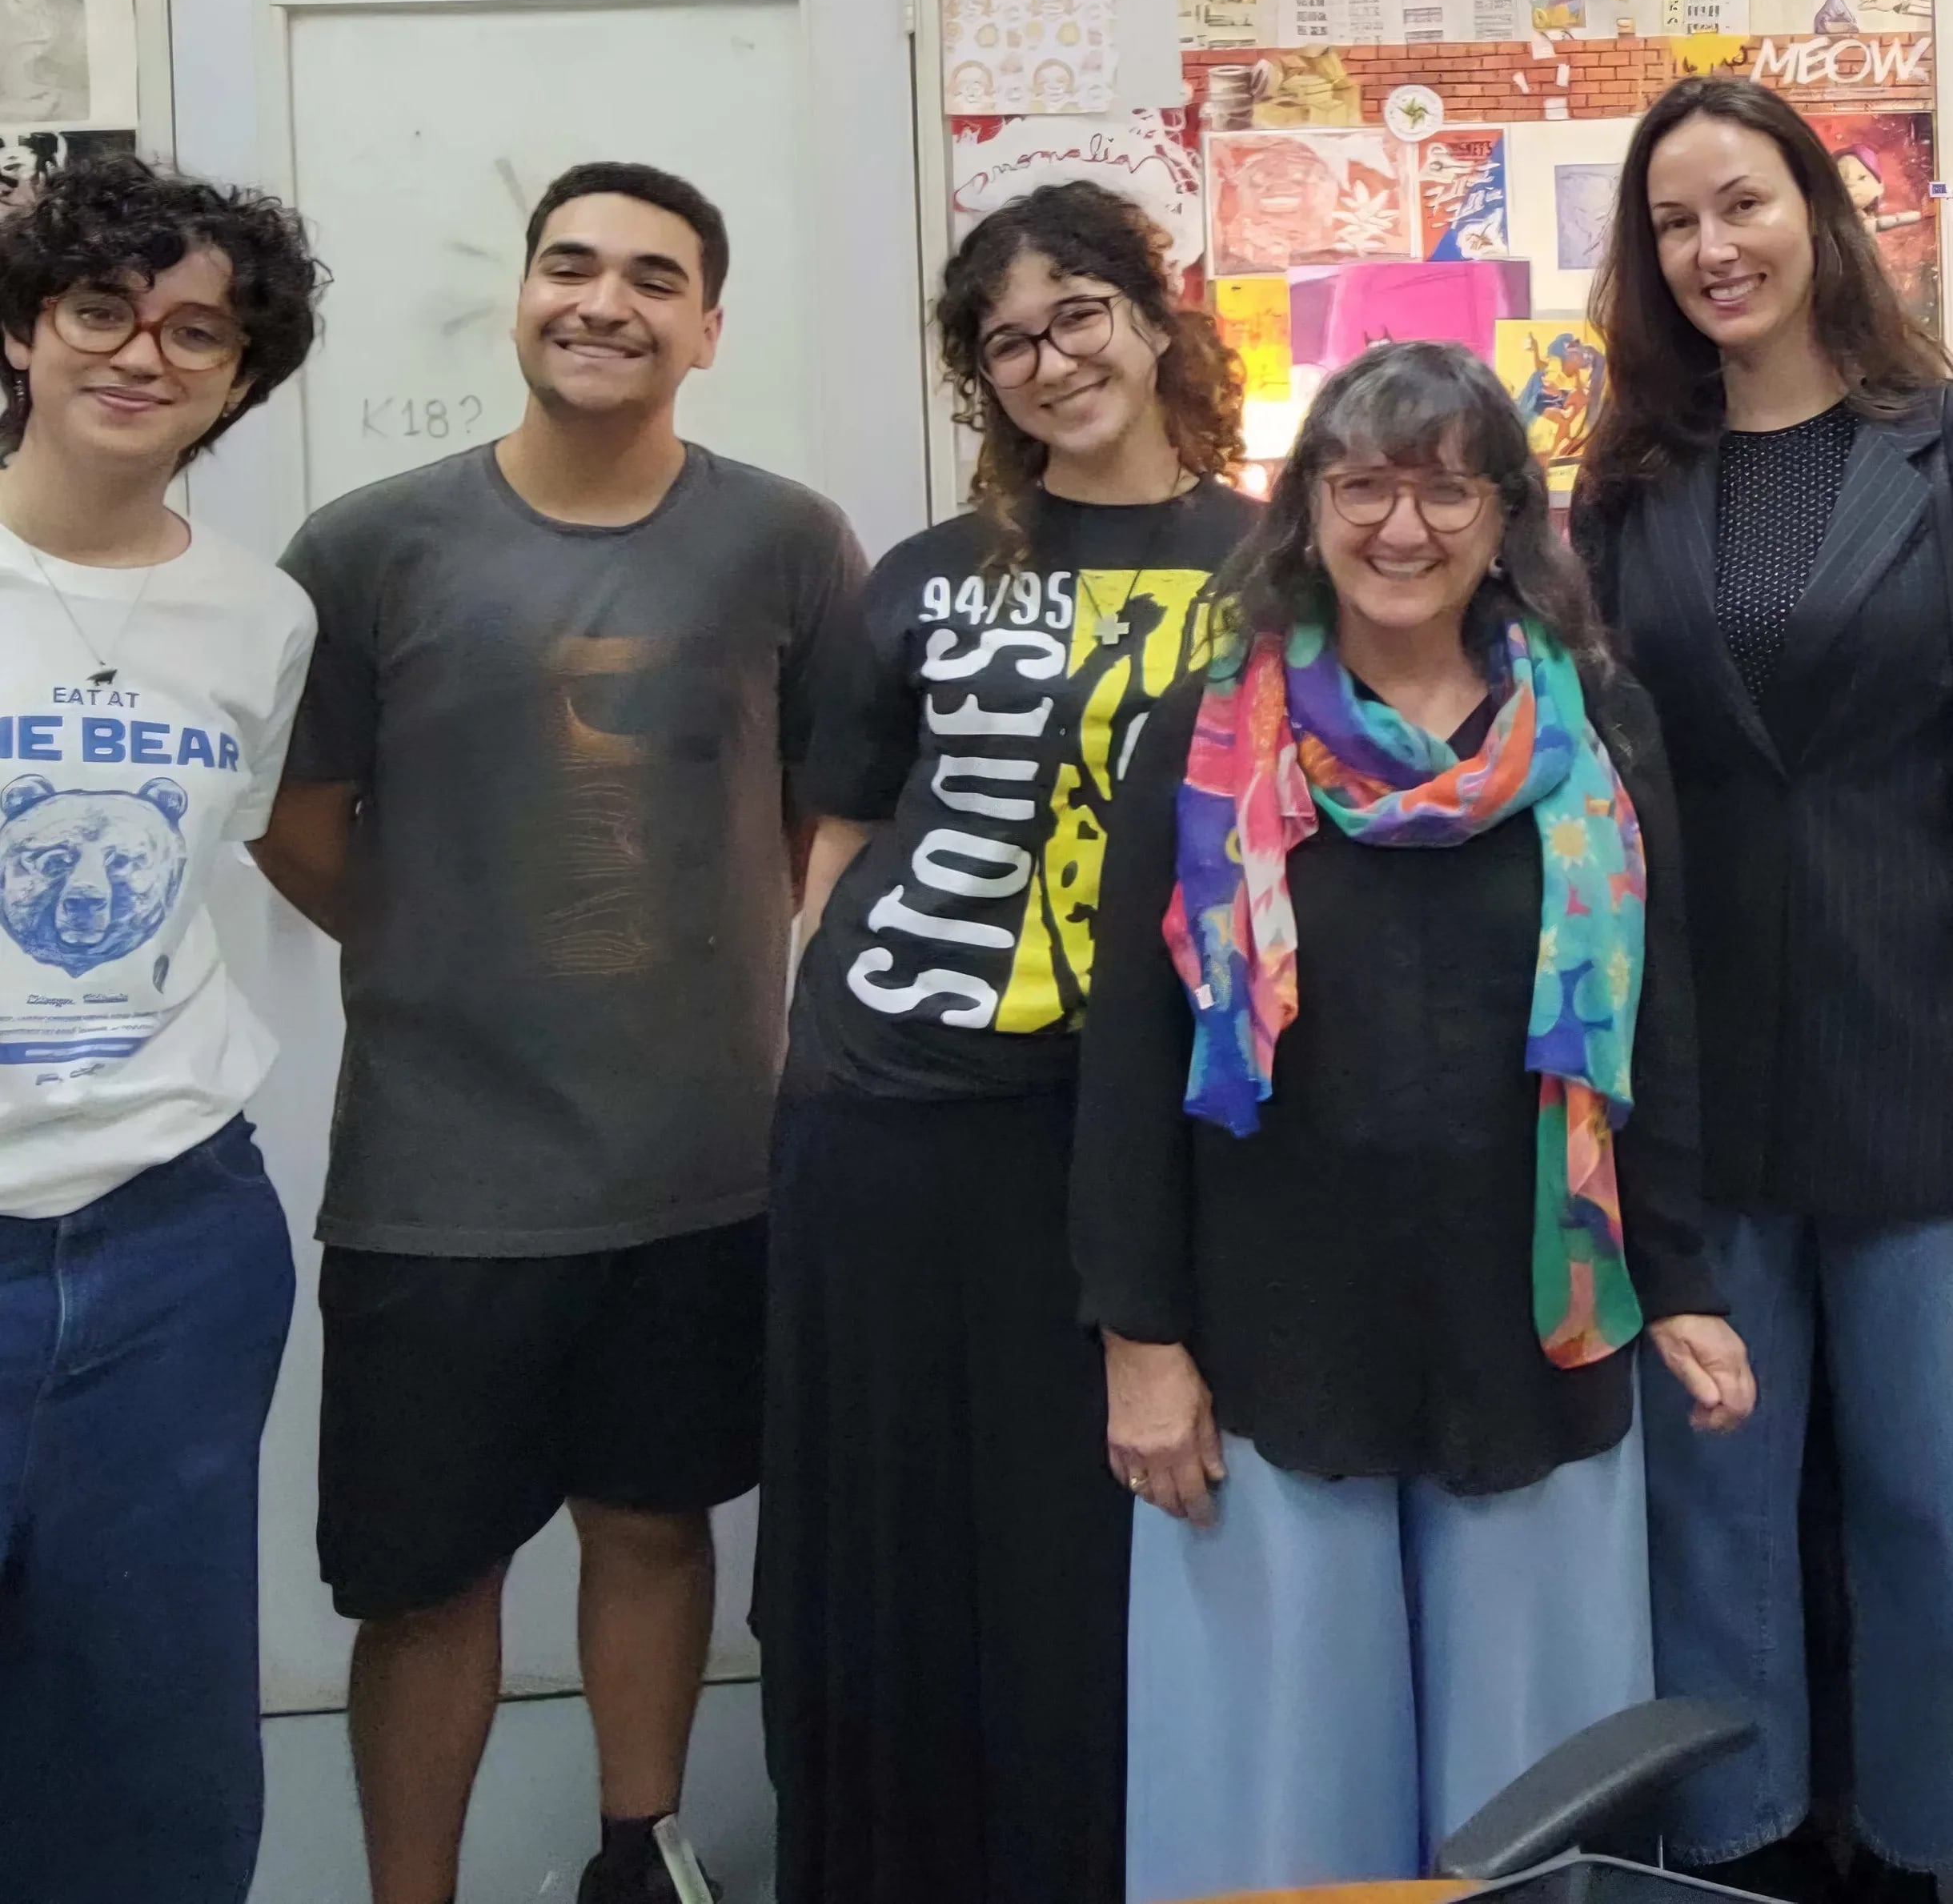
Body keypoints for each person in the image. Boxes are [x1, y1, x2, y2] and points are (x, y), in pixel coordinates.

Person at [250, 160, 862, 1904]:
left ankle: (632, 1851)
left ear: (706, 327)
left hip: (697, 1163)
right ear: (517, 295)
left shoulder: (784, 541)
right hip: (437, 1182)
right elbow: (295, 817)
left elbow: (830, 804)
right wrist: (445, 943)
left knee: (656, 1521)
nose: (603, 301)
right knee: (423, 1579)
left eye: (652, 277)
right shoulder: (369, 546)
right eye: (568, 265)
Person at [1072, 339, 1754, 1902]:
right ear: (1302, 505)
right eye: (1363, 480)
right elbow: (1127, 1054)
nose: (1402, 522)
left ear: (1506, 510)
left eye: (1446, 482)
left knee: (1533, 1806)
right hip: (1267, 1336)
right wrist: (1138, 1337)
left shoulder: (1593, 730)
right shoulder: (1204, 740)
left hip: (1532, 1322)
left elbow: (1652, 1023)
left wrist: (1681, 1278)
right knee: (1273, 1799)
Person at [759, 180, 1255, 1904]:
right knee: (888, 1549)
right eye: (1006, 341)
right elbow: (830, 844)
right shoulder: (923, 577)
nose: (1048, 361)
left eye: (1076, 315)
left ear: (1152, 314)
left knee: (1099, 1556)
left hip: (1139, 1138)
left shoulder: (1268, 566)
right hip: (886, 1121)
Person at [1575, 76, 1953, 1904]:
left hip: (1919, 1058)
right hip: (1694, 1075)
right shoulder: (1627, 483)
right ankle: (1727, 1852)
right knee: (1709, 1506)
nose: (1709, 248)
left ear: (1816, 209)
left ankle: (1917, 1835)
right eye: (1670, 224)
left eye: (1739, 204)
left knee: (1932, 1499)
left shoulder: (1938, 446)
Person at [0, 156, 323, 1904]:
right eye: (101, 309)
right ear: (27, 331)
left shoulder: (260, 617)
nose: (144, 353)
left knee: (153, 1752)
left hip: (170, 1238)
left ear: (238, 376)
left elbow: (224, 861)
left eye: (198, 329)